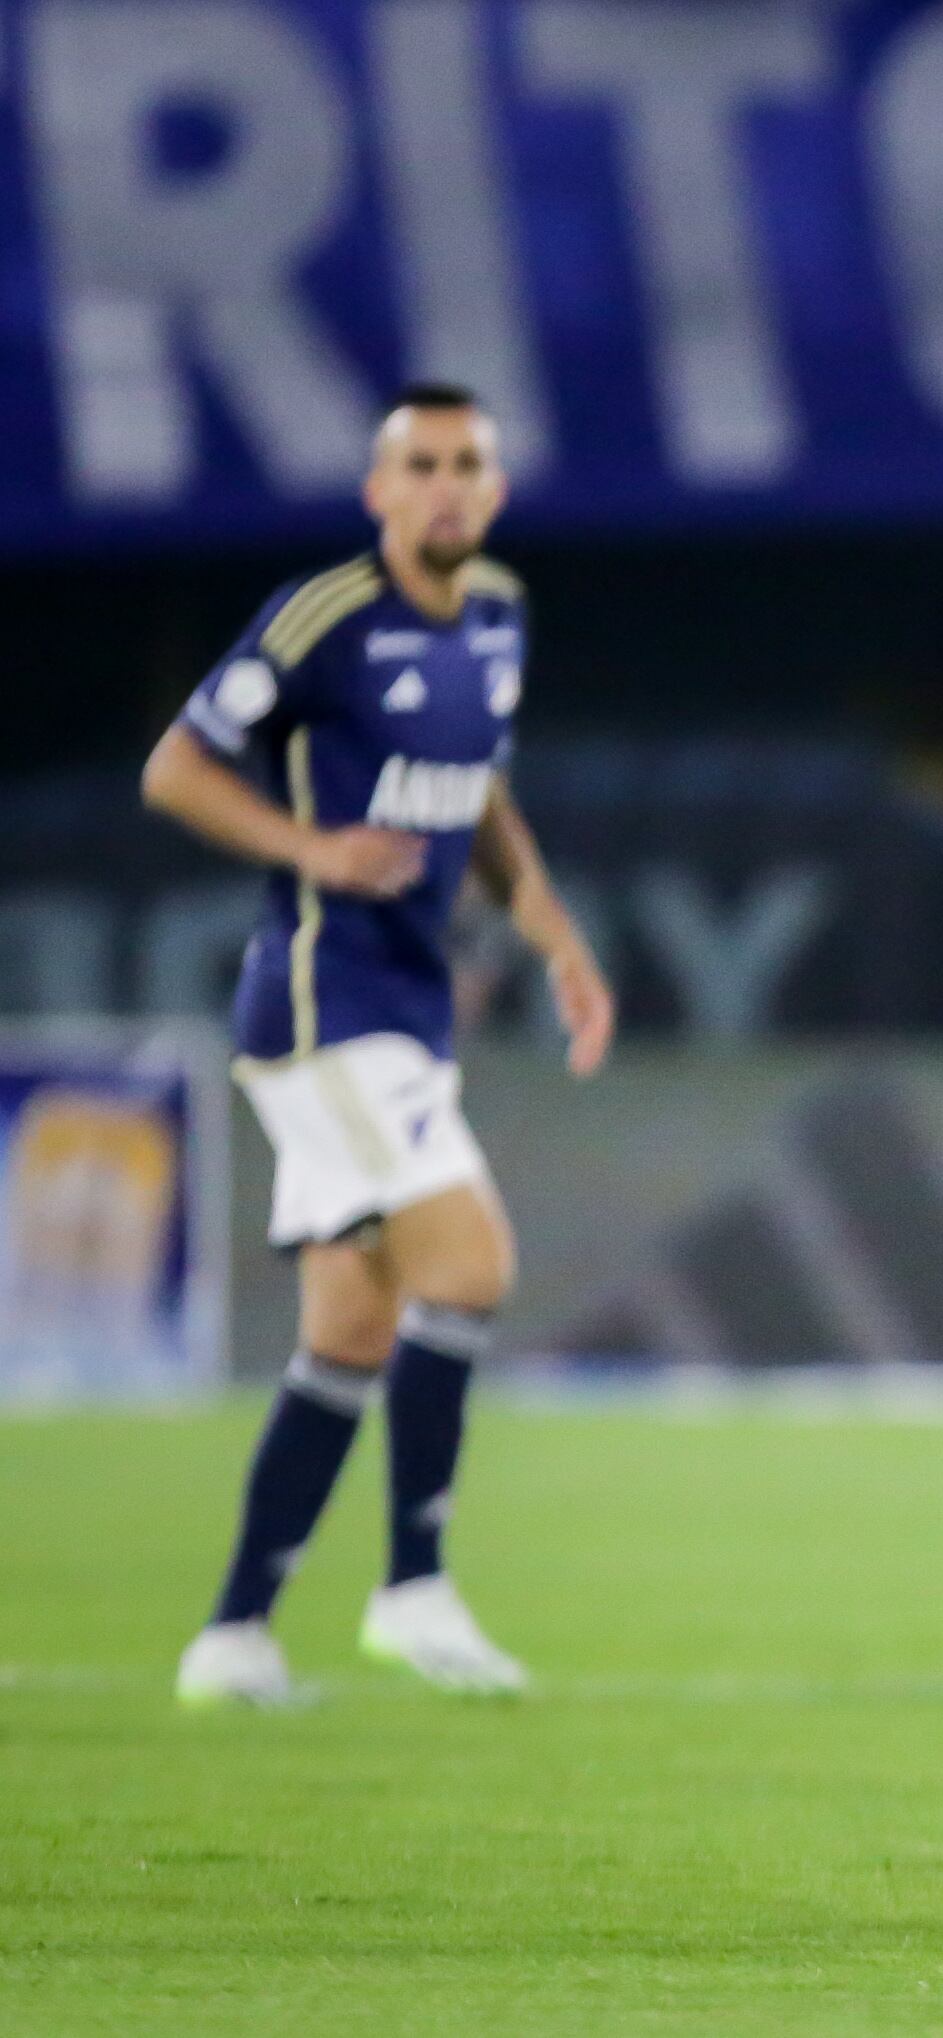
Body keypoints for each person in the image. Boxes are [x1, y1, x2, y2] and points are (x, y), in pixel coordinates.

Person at [146, 384, 613, 1707]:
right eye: (422, 464)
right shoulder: (325, 618)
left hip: (400, 1009)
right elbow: (176, 766)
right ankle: (414, 1586)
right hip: (320, 1001)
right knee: (469, 1260)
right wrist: (313, 850)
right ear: (379, 490)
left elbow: (485, 798)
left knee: (350, 1329)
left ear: (497, 486)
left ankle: (232, 1632)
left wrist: (555, 936)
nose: (448, 485)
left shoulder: (503, 615)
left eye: (470, 462)